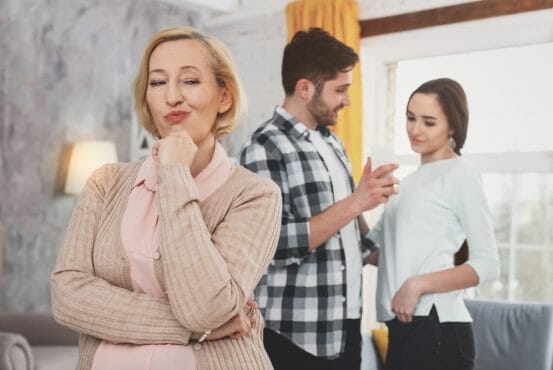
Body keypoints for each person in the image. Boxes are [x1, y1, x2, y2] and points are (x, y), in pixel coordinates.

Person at [51, 26, 282, 370]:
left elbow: (205, 307)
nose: (172, 96)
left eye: (189, 81)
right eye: (158, 83)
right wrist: (195, 331)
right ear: (146, 98)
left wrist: (174, 173)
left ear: (224, 97)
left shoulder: (255, 196)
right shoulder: (105, 183)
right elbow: (68, 296)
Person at [238, 27, 398, 370]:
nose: (348, 100)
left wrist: (400, 255)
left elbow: (350, 233)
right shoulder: (264, 147)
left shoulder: (333, 143)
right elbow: (270, 244)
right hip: (294, 334)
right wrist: (356, 201)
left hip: (345, 325)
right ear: (304, 88)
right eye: (340, 89)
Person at [366, 78, 500, 370]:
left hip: (437, 328)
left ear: (452, 126)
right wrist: (363, 197)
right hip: (401, 327)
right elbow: (375, 253)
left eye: (428, 122)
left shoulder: (460, 174)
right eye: (410, 117)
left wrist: (417, 285)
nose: (415, 130)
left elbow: (489, 264)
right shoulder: (408, 182)